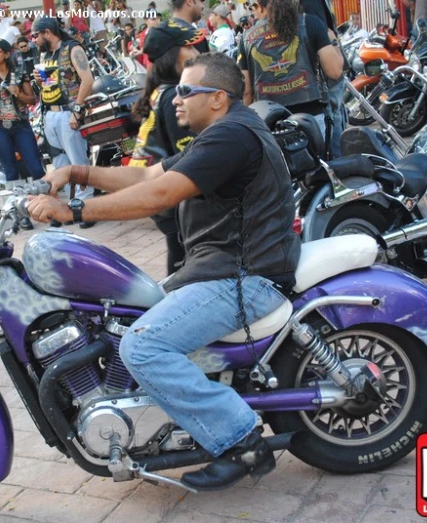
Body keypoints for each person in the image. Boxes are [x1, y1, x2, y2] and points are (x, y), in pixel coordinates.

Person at [26, 53, 299, 489]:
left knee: (143, 346)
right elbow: (148, 177)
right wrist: (75, 170)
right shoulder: (223, 134)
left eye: (186, 91)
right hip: (221, 269)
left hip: (244, 278)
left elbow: (161, 196)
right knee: (119, 315)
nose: (175, 99)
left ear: (218, 99)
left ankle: (242, 442)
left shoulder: (232, 137)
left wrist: (73, 209)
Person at [129, 22, 201, 275]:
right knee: (186, 261)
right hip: (164, 194)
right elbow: (190, 156)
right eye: (188, 46)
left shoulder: (163, 91)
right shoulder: (173, 98)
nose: (195, 52)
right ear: (173, 55)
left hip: (155, 191)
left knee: (179, 251)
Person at [240, 0, 343, 143]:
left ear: (260, 6)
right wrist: (334, 42)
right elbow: (335, 71)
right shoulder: (310, 23)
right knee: (322, 162)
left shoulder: (246, 38)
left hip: (271, 122)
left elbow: (246, 92)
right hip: (311, 117)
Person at [32, 16, 96, 227]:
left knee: (78, 162)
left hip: (68, 113)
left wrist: (77, 111)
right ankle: (70, 209)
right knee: (60, 163)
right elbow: (52, 86)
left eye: (36, 35)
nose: (34, 40)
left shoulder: (72, 49)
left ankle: (86, 209)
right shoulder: (45, 54)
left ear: (47, 33)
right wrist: (40, 82)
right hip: (50, 113)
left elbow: (87, 80)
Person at [0, 37, 44, 230]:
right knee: (10, 171)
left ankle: (46, 206)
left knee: (36, 168)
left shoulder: (19, 75)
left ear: (7, 54)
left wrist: (18, 94)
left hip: (20, 125)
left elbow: (32, 100)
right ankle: (19, 214)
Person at [301, 0, 347, 158]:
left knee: (331, 128)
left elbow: (324, 34)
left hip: (325, 78)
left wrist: (335, 47)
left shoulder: (308, 4)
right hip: (325, 76)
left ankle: (336, 173)